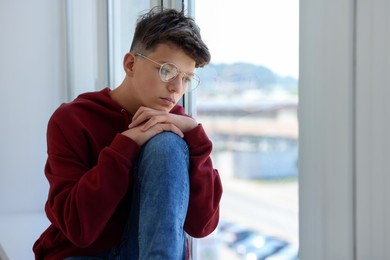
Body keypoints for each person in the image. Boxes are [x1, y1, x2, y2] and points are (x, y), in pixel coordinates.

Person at [33, 7, 222, 260]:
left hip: (147, 253)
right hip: (84, 254)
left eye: (186, 78)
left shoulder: (178, 124)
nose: (177, 89)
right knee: (166, 141)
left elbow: (202, 226)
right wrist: (126, 144)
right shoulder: (72, 119)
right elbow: (77, 228)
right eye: (167, 70)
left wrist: (196, 137)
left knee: (167, 142)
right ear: (130, 64)